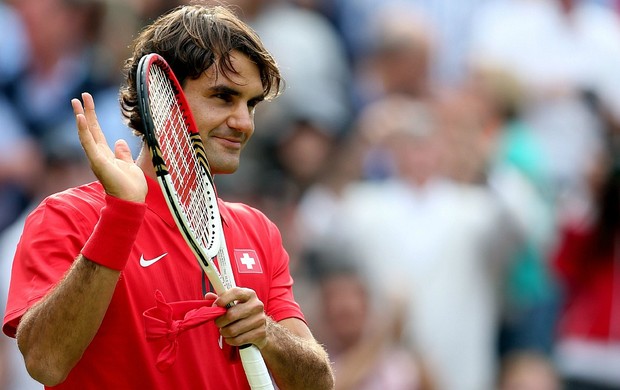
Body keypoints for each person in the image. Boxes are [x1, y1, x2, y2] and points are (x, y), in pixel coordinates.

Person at [2, 4, 334, 390]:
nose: (244, 122)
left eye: (251, 103)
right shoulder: (67, 217)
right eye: (223, 97)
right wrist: (121, 216)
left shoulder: (258, 230)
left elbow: (318, 383)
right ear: (163, 102)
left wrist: (268, 335)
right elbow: (45, 362)